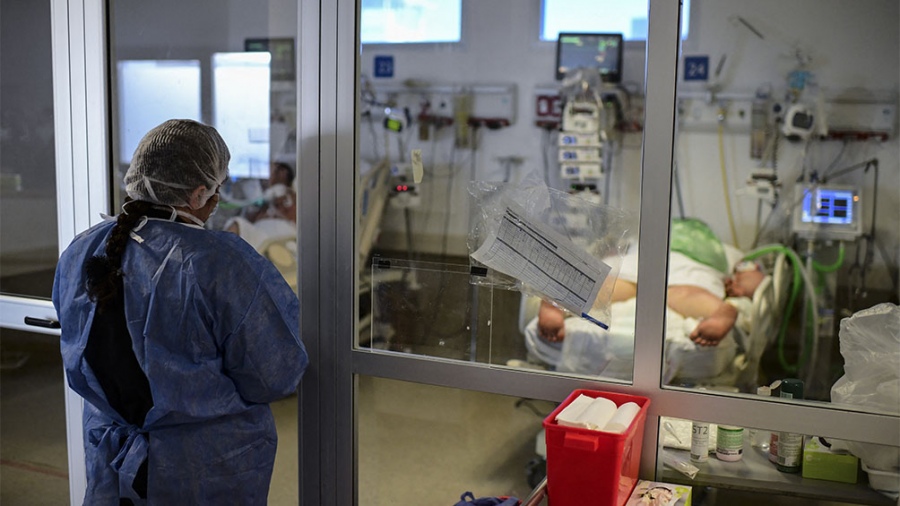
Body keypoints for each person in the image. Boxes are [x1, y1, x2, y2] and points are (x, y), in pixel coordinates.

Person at [52, 119, 309, 504]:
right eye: (217, 187)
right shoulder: (220, 263)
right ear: (199, 193)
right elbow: (274, 374)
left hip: (113, 458)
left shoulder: (83, 249)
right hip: (200, 466)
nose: (218, 198)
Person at [536, 222, 766, 348]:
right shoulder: (723, 252)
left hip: (641, 261)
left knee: (612, 285)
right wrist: (741, 288)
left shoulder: (648, 236)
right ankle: (721, 313)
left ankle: (558, 302)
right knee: (687, 293)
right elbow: (752, 275)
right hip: (689, 271)